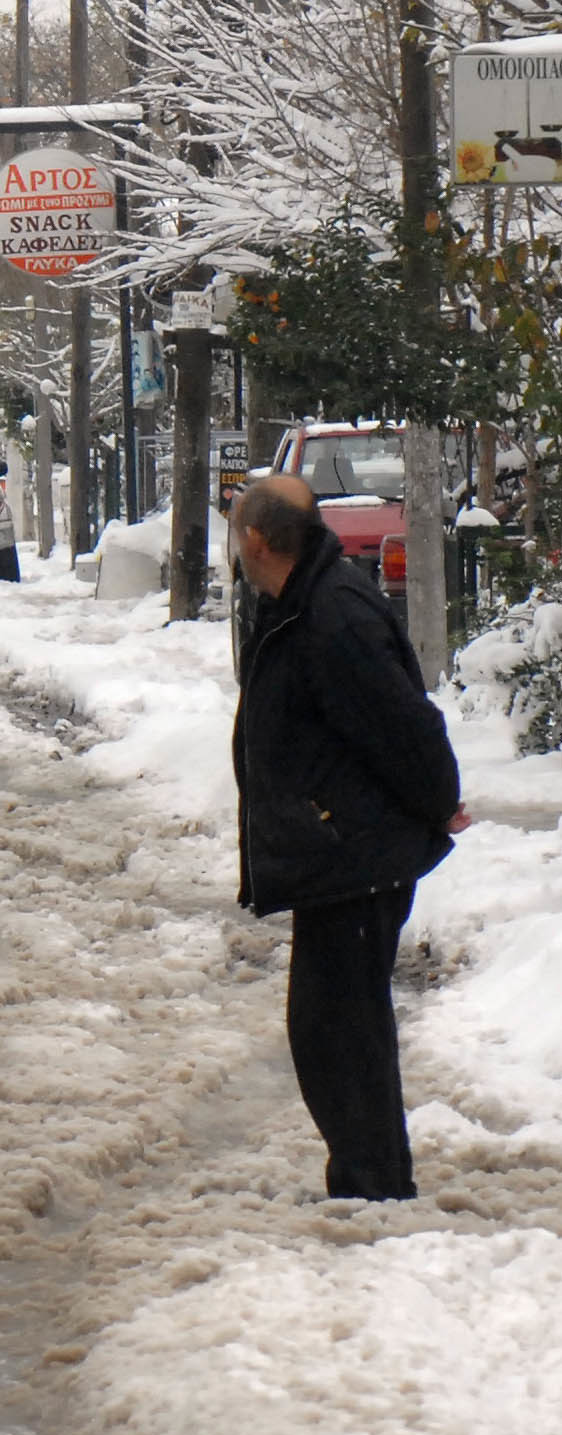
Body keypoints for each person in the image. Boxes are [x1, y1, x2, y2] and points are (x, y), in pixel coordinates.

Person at [229, 472, 474, 1201]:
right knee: (333, 1028)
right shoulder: (296, 601)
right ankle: (368, 1179)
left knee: (341, 1033)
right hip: (336, 851)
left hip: (356, 854)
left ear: (257, 540)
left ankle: (375, 1189)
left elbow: (405, 725)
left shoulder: (332, 615)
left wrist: (438, 802)